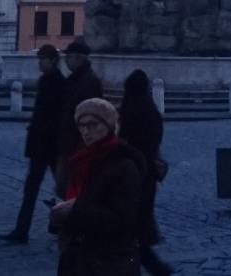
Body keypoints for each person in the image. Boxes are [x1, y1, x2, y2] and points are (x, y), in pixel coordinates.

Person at [50, 98, 146, 276]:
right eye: (82, 126)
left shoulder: (124, 166)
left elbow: (122, 221)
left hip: (109, 262)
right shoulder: (81, 160)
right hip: (78, 258)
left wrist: (74, 210)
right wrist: (59, 217)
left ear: (108, 126)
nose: (86, 131)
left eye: (93, 125)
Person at [0, 44, 67, 244]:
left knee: (62, 189)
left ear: (53, 60)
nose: (39, 62)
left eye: (43, 59)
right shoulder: (46, 80)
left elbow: (55, 116)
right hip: (41, 145)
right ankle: (21, 230)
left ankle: (73, 223)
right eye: (39, 58)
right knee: (31, 190)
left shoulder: (58, 83)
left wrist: (45, 134)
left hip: (50, 145)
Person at [118, 70, 172, 276]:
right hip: (145, 171)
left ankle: (149, 263)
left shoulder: (125, 110)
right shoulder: (150, 110)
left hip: (130, 171)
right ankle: (151, 263)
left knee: (134, 220)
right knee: (140, 218)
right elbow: (155, 137)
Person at [57, 40, 106, 184]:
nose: (66, 61)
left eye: (68, 57)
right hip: (69, 140)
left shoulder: (88, 82)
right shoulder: (75, 79)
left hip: (78, 142)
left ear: (78, 58)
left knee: (73, 183)